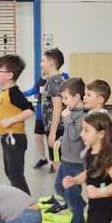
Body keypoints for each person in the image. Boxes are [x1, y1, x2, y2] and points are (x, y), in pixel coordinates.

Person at [0, 54, 35, 194]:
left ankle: (27, 203)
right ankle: (19, 200)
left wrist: (10, 121)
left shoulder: (14, 93)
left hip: (15, 138)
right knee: (10, 172)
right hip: (7, 137)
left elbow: (30, 110)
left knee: (16, 174)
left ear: (9, 75)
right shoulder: (5, 92)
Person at [53, 78, 89, 223]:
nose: (63, 101)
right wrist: (61, 139)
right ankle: (79, 205)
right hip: (66, 159)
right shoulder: (72, 112)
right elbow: (69, 134)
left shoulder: (83, 116)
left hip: (76, 162)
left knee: (71, 193)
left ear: (77, 97)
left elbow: (75, 135)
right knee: (59, 187)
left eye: (66, 98)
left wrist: (66, 118)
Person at [83, 79, 112, 223]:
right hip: (94, 164)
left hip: (102, 165)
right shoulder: (91, 114)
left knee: (104, 202)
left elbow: (104, 143)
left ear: (100, 99)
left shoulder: (102, 118)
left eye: (89, 95)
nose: (84, 97)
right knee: (95, 201)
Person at [38, 49, 68, 196]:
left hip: (57, 131)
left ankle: (64, 199)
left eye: (43, 61)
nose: (41, 64)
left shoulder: (55, 81)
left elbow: (57, 108)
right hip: (54, 130)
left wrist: (53, 133)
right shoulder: (52, 80)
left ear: (51, 63)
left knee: (58, 164)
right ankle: (61, 197)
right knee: (56, 162)